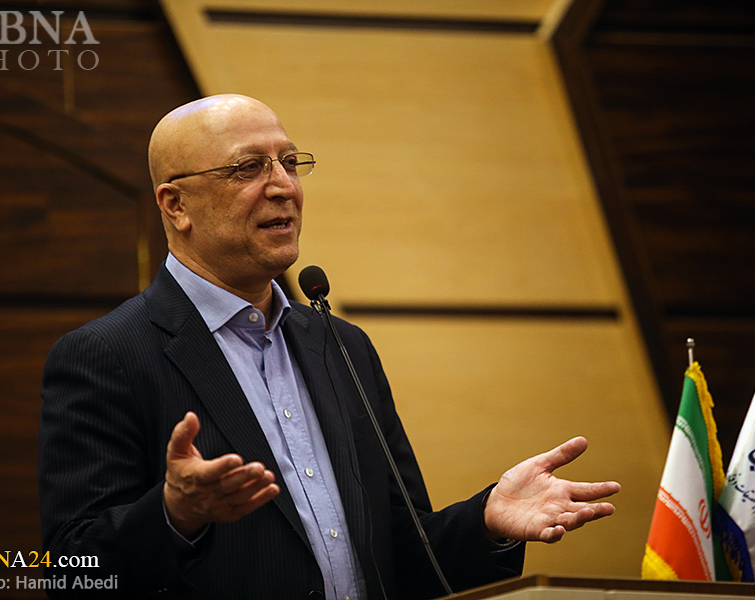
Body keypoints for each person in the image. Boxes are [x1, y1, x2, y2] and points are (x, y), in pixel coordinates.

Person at [38, 94, 620, 600]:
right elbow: (70, 570)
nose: (283, 186)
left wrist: (485, 521)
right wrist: (173, 515)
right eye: (247, 168)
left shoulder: (341, 346)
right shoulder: (107, 356)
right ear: (176, 205)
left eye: (290, 163)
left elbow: (400, 548)